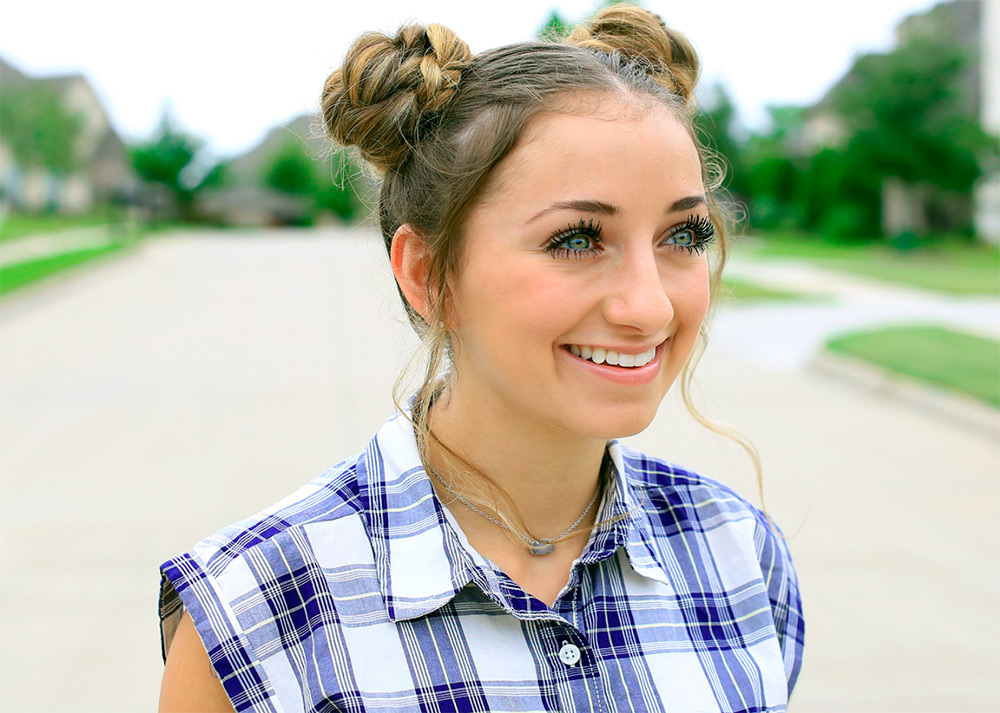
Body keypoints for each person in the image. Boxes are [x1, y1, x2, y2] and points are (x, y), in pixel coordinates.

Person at [157, 5, 805, 711]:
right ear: (429, 275)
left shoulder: (741, 554)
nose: (649, 308)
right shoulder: (254, 613)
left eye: (682, 236)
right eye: (577, 240)